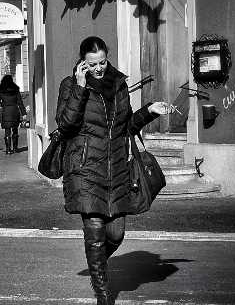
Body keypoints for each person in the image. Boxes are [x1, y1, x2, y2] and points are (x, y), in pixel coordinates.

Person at [56, 36, 172, 305]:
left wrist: (149, 111)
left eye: (102, 62)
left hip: (116, 168)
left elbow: (126, 127)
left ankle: (96, 264)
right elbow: (65, 124)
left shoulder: (118, 85)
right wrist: (80, 89)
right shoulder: (71, 85)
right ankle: (103, 295)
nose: (98, 69)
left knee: (116, 235)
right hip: (84, 170)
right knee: (95, 232)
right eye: (92, 64)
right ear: (82, 63)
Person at [0, 74, 26, 155]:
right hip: (15, 111)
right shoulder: (16, 90)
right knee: (15, 129)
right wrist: (23, 113)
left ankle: (8, 149)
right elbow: (20, 102)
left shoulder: (1, 90)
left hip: (5, 111)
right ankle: (15, 148)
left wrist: (2, 104)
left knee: (7, 130)